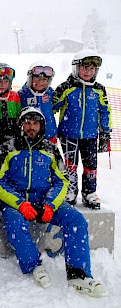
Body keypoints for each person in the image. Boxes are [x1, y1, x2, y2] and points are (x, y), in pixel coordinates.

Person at [0, 106, 107, 298]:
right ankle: (33, 265)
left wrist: (50, 205)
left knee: (76, 221)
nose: (31, 127)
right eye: (27, 122)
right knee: (13, 223)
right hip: (17, 201)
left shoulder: (50, 148)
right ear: (20, 124)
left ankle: (79, 274)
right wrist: (19, 203)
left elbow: (62, 179)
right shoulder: (7, 148)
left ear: (42, 126)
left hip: (45, 200)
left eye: (35, 123)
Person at [53, 49, 111, 209]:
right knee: (70, 165)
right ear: (76, 68)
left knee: (91, 166)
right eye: (85, 67)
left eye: (92, 69)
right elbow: (51, 107)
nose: (88, 72)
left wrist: (105, 131)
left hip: (91, 135)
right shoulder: (66, 87)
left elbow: (105, 110)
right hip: (68, 134)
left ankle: (89, 193)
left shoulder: (99, 89)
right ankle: (70, 192)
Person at [18, 61, 57, 143]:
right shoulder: (22, 95)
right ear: (30, 78)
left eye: (44, 79)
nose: (40, 82)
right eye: (37, 78)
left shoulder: (51, 94)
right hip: (29, 137)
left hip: (49, 136)